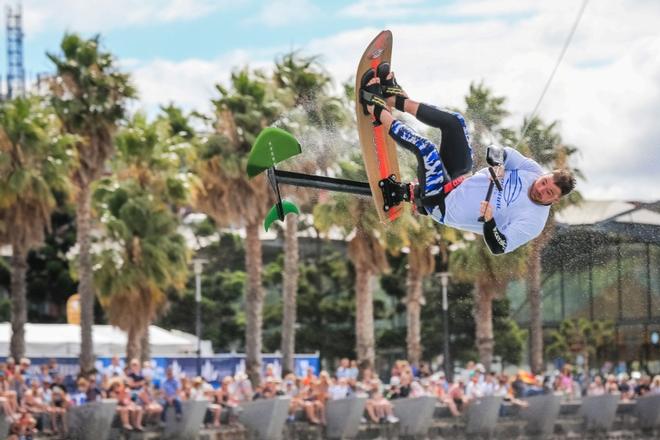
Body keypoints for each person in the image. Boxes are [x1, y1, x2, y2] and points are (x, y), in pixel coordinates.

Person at [359, 64, 576, 254]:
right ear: (545, 175)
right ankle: (394, 98)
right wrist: (499, 164)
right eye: (545, 182)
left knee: (426, 149)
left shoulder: (533, 222)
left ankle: (375, 108)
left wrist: (490, 221)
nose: (541, 188)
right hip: (460, 178)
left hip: (441, 203)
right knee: (455, 122)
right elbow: (496, 152)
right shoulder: (531, 170)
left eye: (548, 192)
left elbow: (499, 246)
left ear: (555, 200)